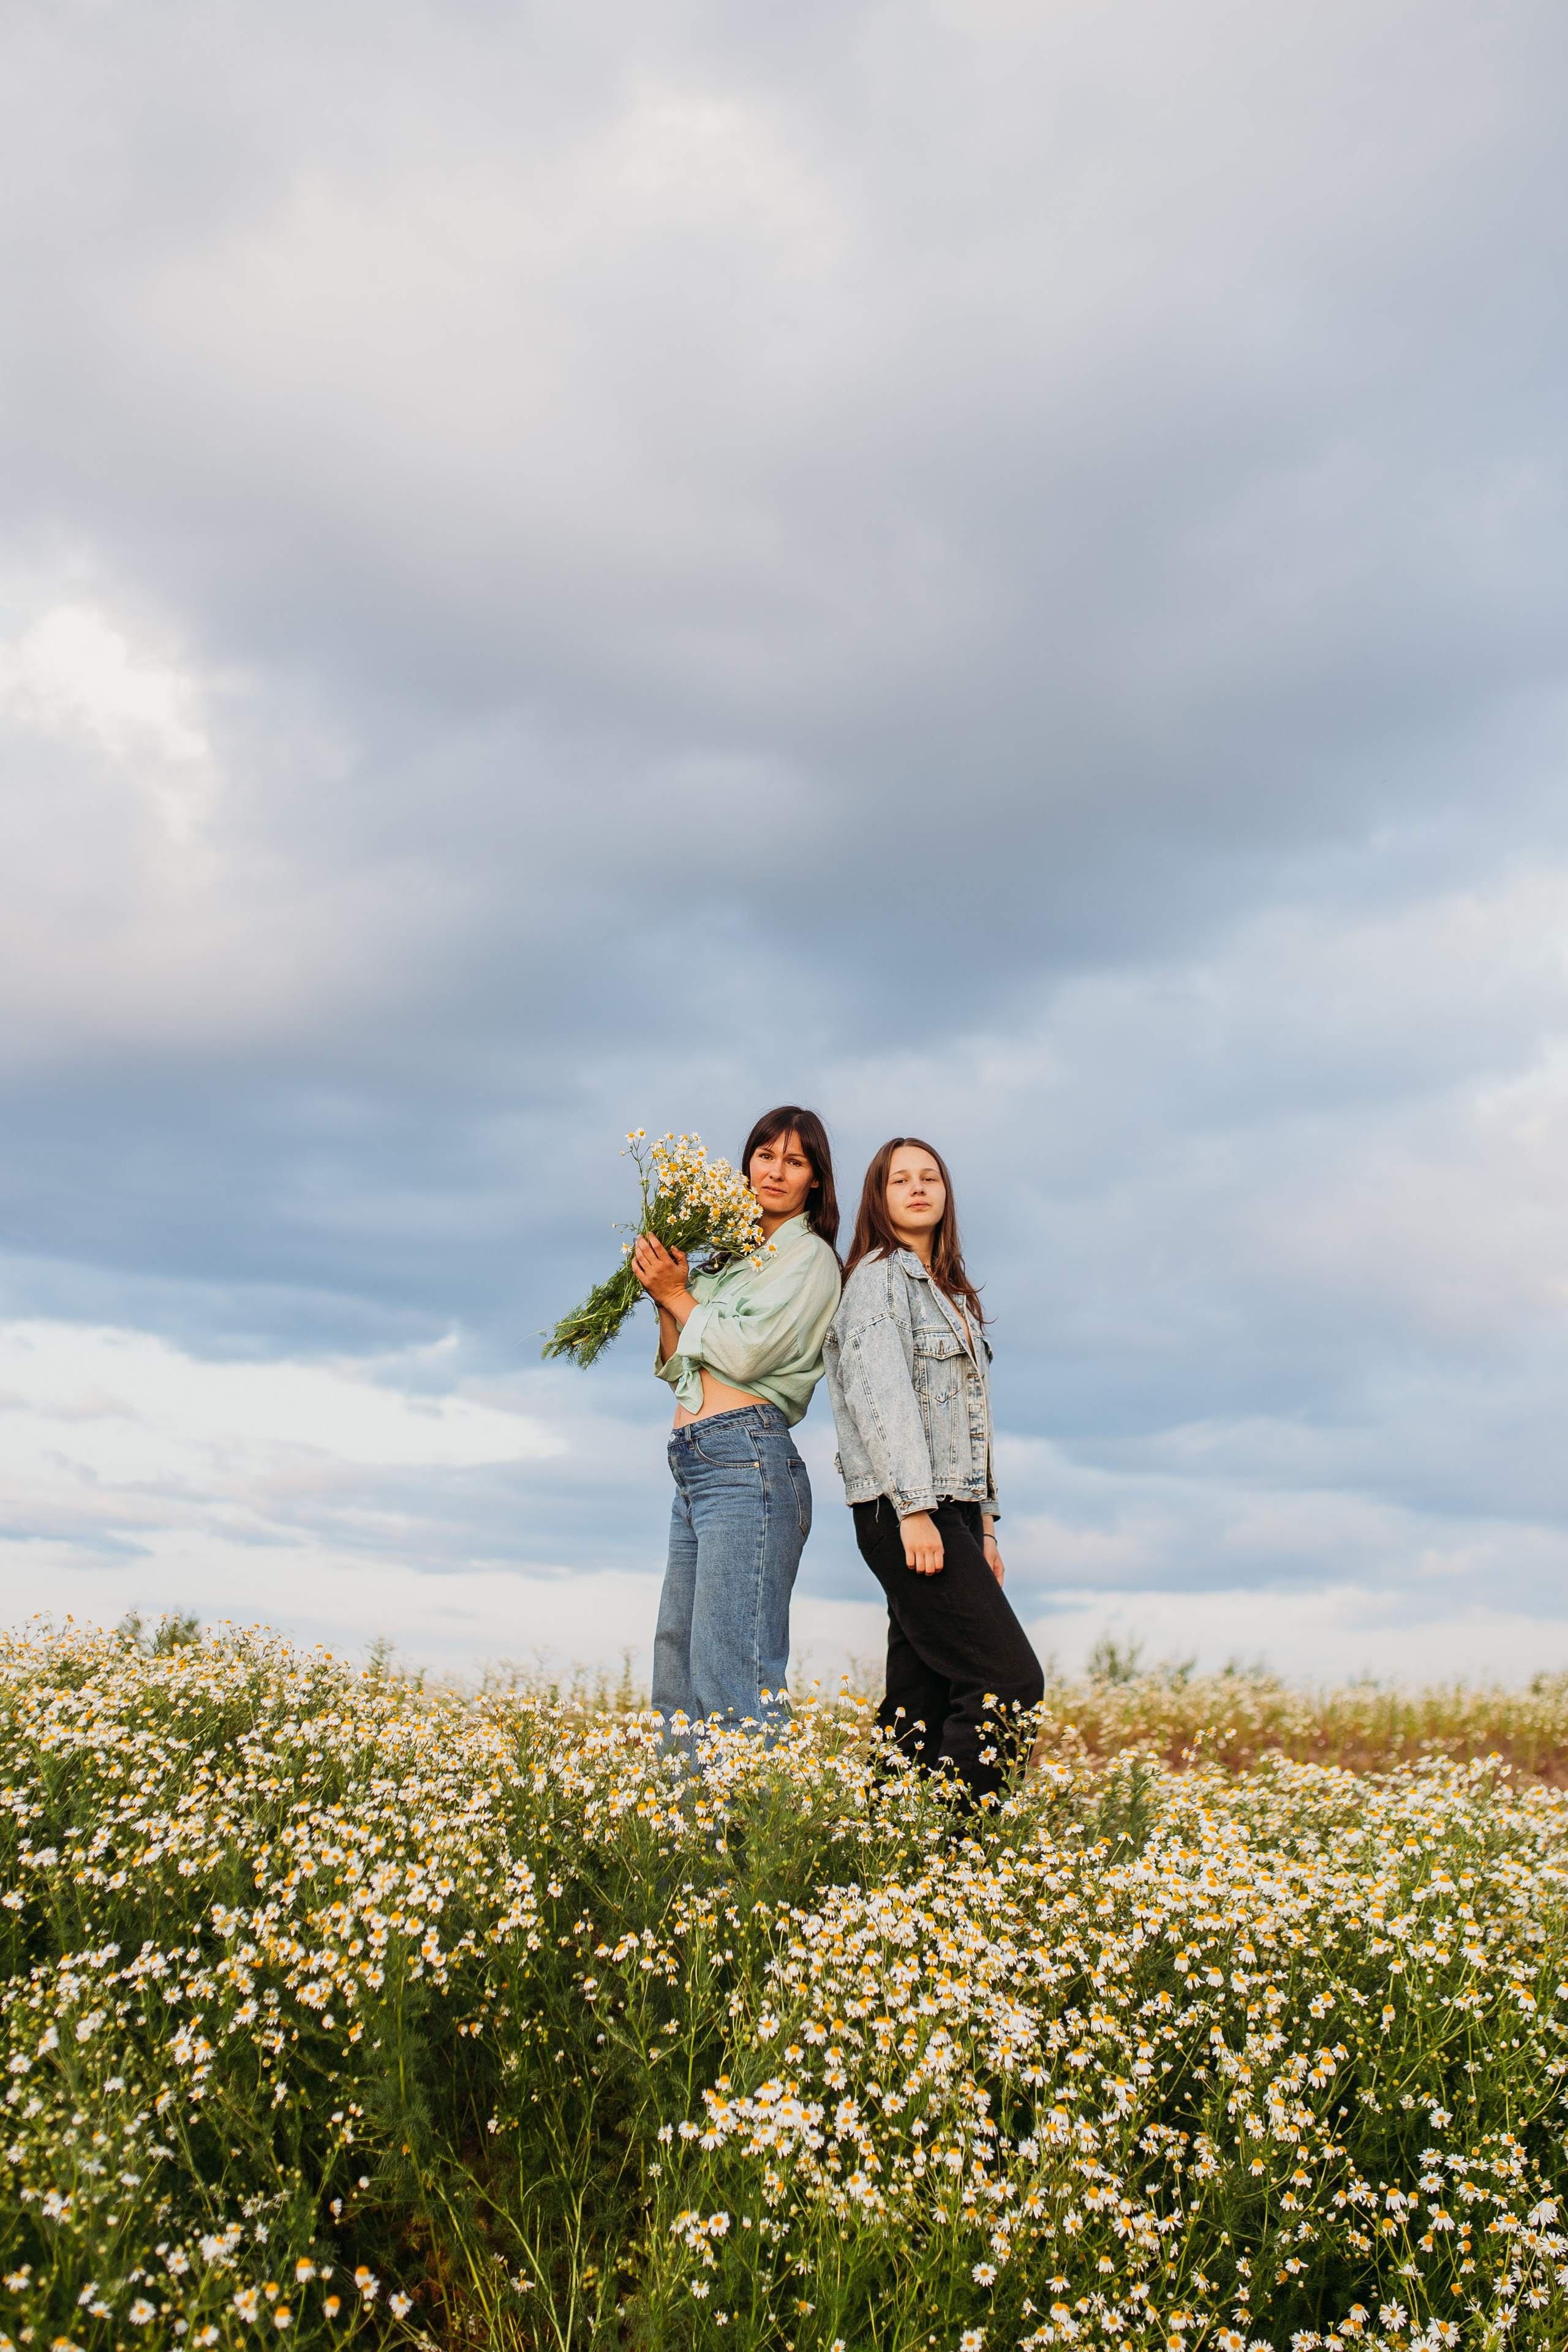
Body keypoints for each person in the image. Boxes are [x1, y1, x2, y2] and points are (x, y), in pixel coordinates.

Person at [824, 1136, 1042, 1803]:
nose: (917, 1188)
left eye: (930, 1178)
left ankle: (883, 1852)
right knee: (1007, 1684)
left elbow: (974, 1427)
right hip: (905, 1509)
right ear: (878, 1198)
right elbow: (883, 1402)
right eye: (900, 1180)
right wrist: (916, 1512)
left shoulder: (948, 1295)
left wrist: (985, 1530)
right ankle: (956, 1856)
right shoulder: (877, 1281)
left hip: (947, 1511)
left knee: (917, 1698)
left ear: (945, 1194)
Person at [633, 1106, 842, 1738]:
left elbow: (747, 1355)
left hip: (747, 1457)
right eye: (765, 1155)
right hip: (695, 1459)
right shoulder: (727, 1261)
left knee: (733, 1670)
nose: (775, 1171)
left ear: (814, 1180)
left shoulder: (809, 1259)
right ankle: (689, 1832)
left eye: (794, 1161)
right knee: (676, 1666)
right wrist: (666, 1292)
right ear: (747, 1163)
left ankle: (761, 1833)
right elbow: (676, 1367)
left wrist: (676, 1295)